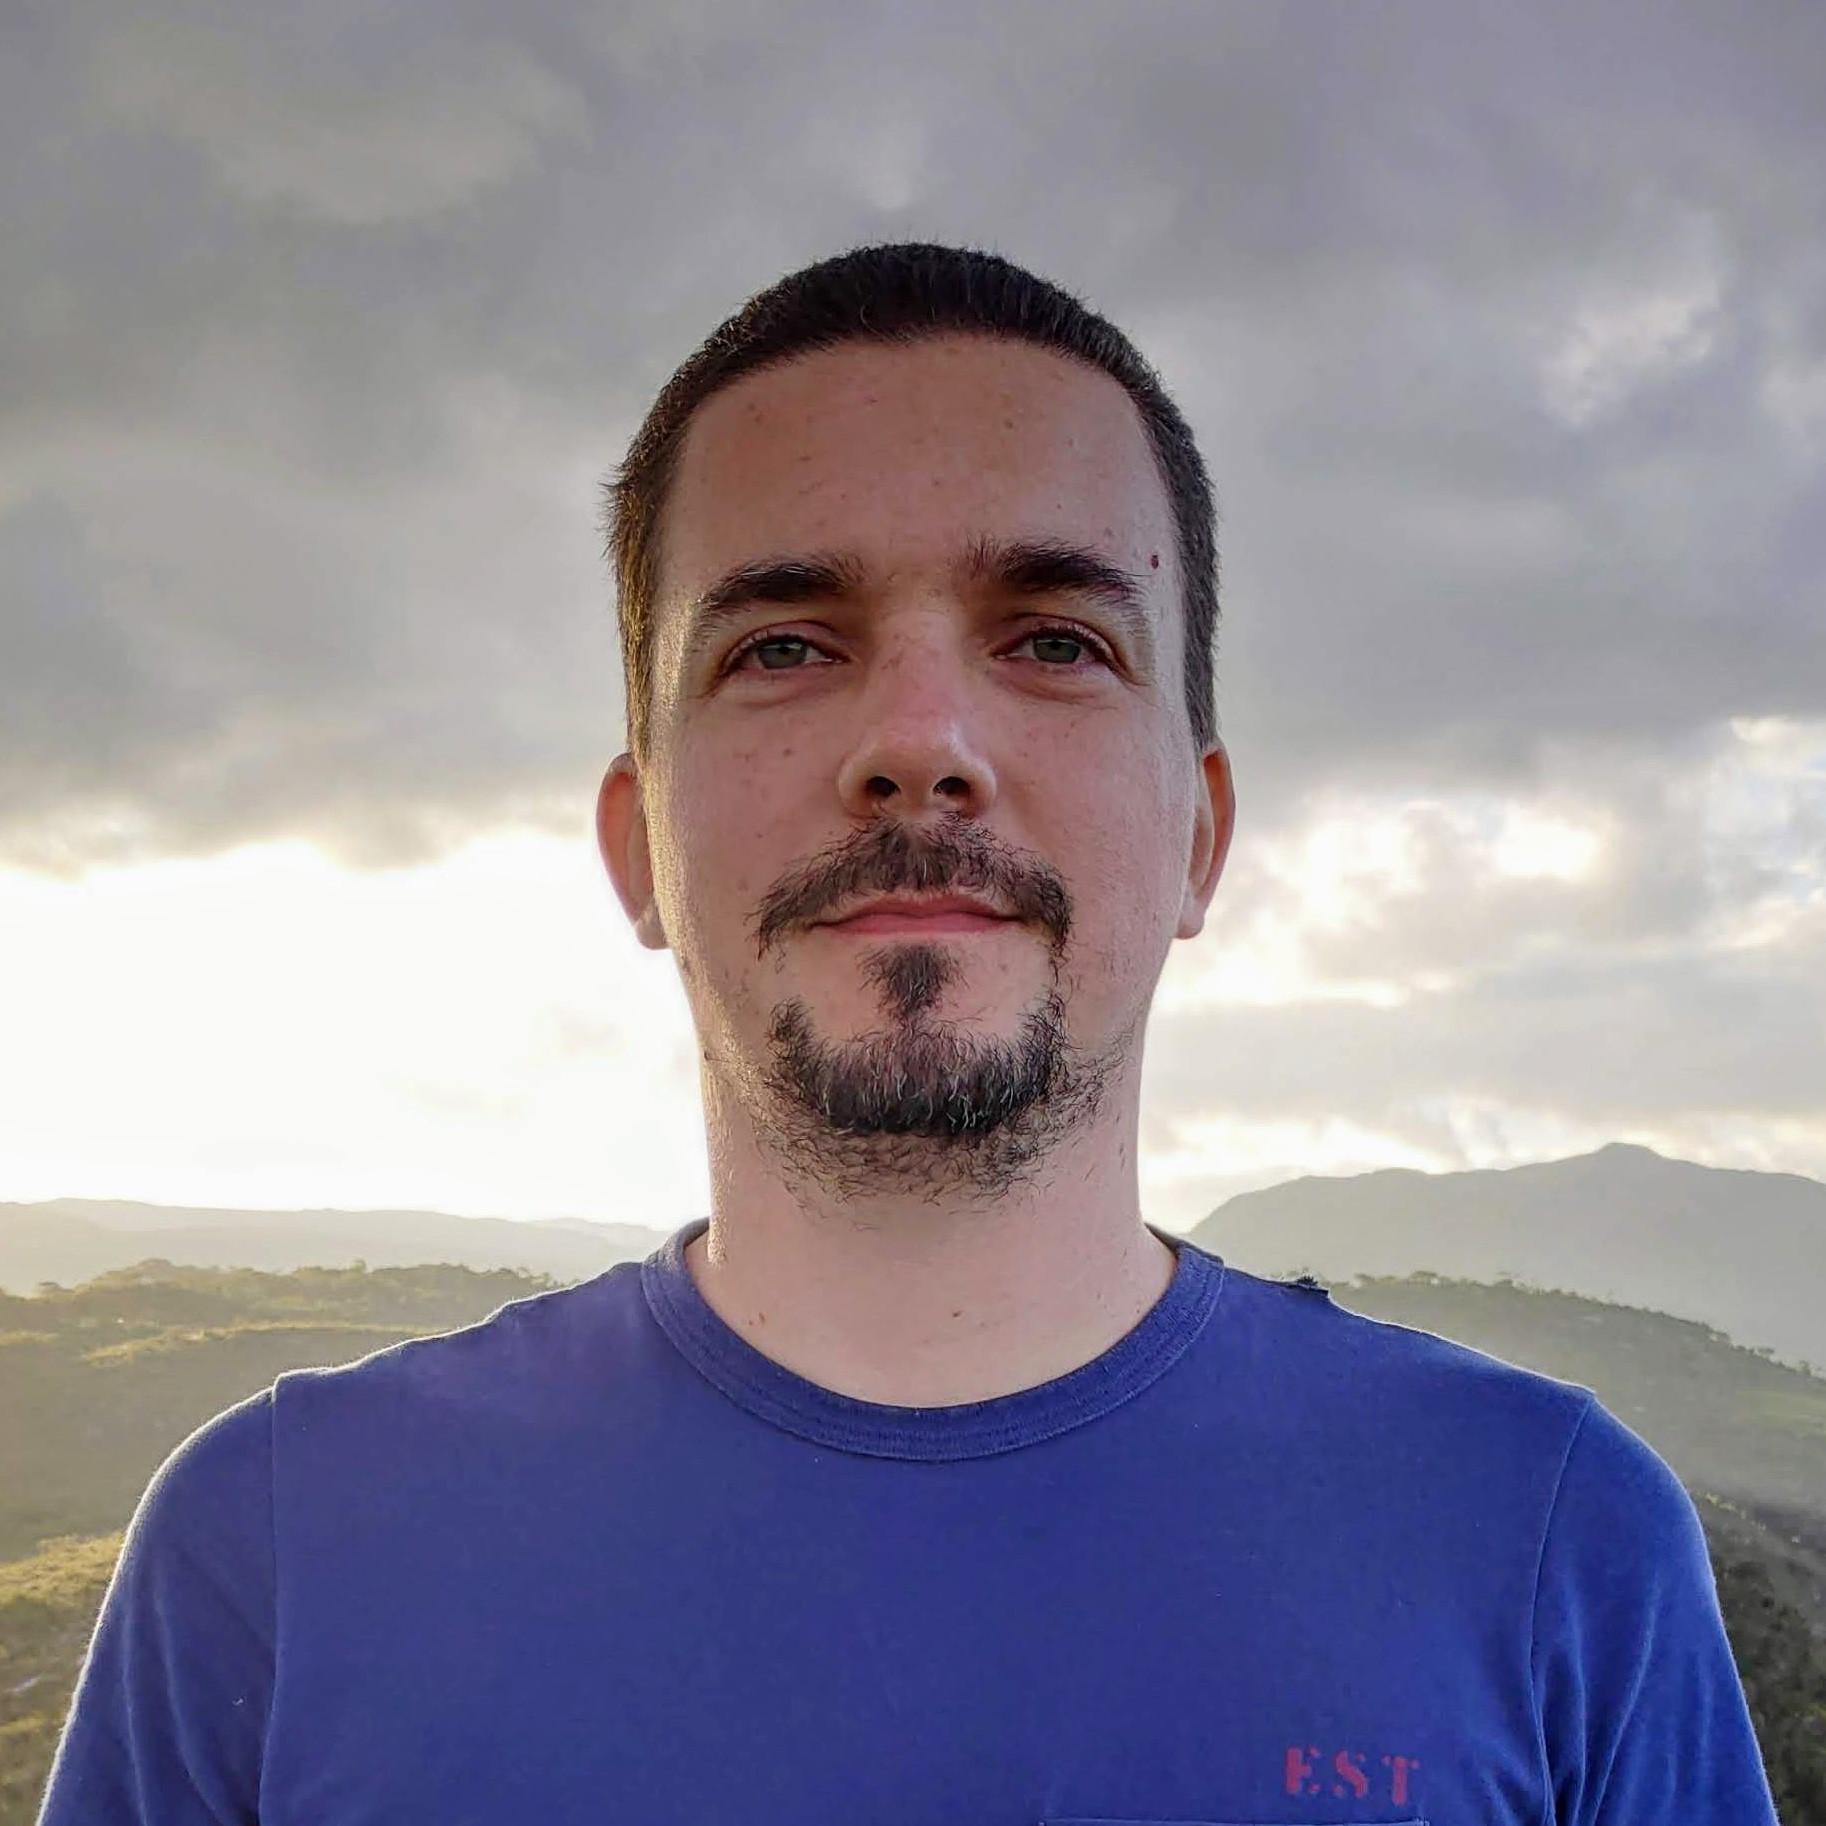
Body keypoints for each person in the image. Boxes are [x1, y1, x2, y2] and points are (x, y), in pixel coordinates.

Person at [40, 243, 1777, 1825]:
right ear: (639, 847)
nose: (921, 742)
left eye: (1055, 639)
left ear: (1198, 834)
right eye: (786, 645)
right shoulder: (272, 1554)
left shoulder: (1554, 1542)